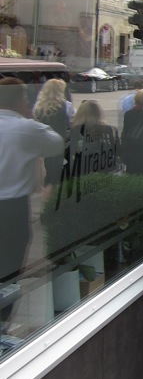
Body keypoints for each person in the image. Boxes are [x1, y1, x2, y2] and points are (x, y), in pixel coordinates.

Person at [0, 78, 65, 284]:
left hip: (13, 205)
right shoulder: (25, 128)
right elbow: (57, 144)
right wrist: (30, 119)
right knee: (9, 265)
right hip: (12, 208)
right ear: (21, 100)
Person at [32, 77, 75, 190]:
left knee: (48, 171)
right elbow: (73, 122)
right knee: (59, 171)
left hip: (43, 144)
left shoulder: (38, 106)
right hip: (60, 144)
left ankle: (48, 190)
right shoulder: (67, 106)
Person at [66, 99, 120, 180]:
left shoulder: (75, 130)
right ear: (99, 113)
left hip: (82, 171)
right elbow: (117, 151)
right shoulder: (109, 130)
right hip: (105, 169)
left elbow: (70, 152)